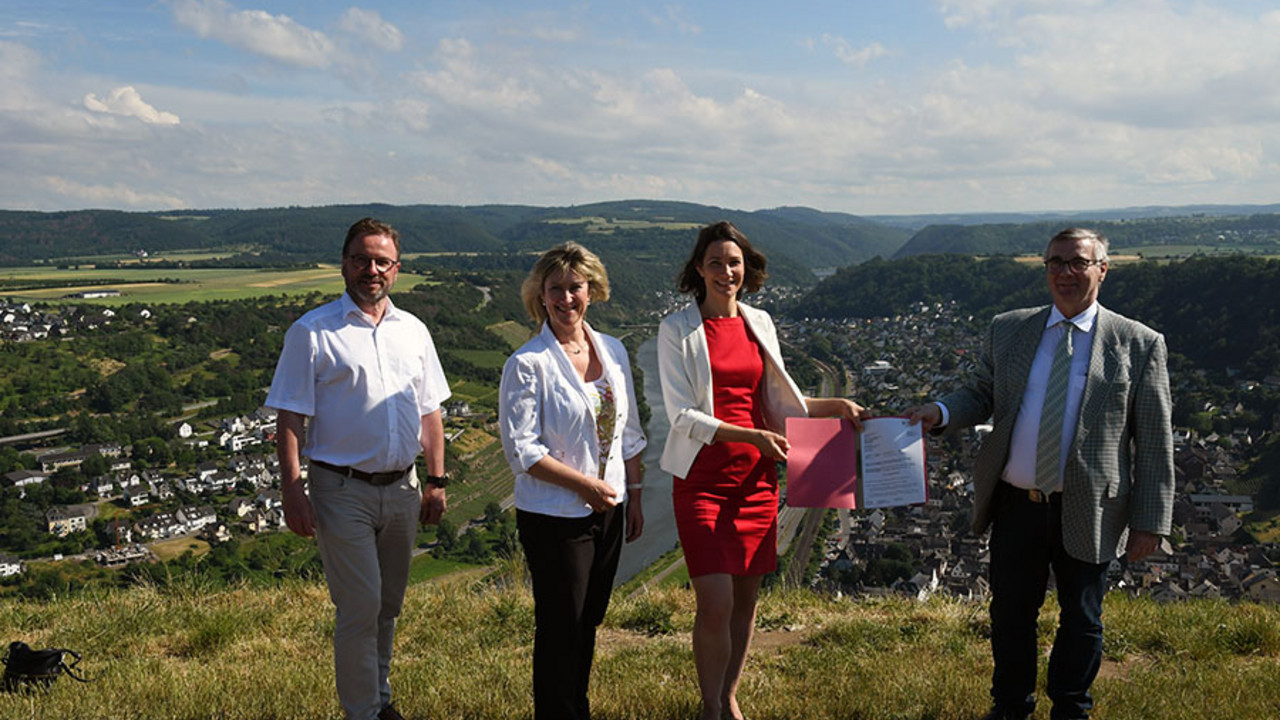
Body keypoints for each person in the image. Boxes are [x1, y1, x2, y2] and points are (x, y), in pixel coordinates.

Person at [909, 227, 1174, 720]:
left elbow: (1155, 441)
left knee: (1082, 619)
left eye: (1077, 262)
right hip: (1016, 502)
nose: (1065, 273)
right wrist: (941, 412)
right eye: (1055, 262)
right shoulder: (1009, 328)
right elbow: (981, 392)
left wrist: (1150, 521)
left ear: (1102, 270)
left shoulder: (1139, 344)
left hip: (1092, 506)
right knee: (1010, 616)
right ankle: (1011, 708)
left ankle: (1072, 709)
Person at [658, 220, 866, 720]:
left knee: (746, 602)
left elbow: (779, 402)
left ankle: (729, 696)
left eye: (734, 262)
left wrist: (835, 404)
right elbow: (681, 415)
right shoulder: (677, 329)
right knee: (715, 601)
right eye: (715, 262)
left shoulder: (760, 322)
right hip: (703, 480)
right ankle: (709, 707)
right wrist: (749, 436)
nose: (726, 271)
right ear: (698, 269)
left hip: (757, 480)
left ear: (746, 269)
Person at [266, 217, 450, 720]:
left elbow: (430, 410)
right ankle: (363, 712)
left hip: (404, 488)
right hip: (340, 488)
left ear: (396, 268)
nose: (372, 269)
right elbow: (290, 415)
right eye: (361, 259)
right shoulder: (312, 332)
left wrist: (436, 480)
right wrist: (292, 489)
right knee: (360, 607)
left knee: (388, 605)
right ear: (344, 264)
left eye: (382, 261)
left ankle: (380, 698)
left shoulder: (413, 331)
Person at [498, 242, 646, 720]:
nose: (566, 299)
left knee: (589, 621)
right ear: (540, 296)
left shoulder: (615, 350)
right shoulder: (528, 363)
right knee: (562, 625)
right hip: (554, 515)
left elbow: (630, 432)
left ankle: (573, 706)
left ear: (592, 290)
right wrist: (584, 486)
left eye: (574, 288)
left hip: (610, 508)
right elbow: (523, 451)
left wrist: (635, 497)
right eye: (555, 289)